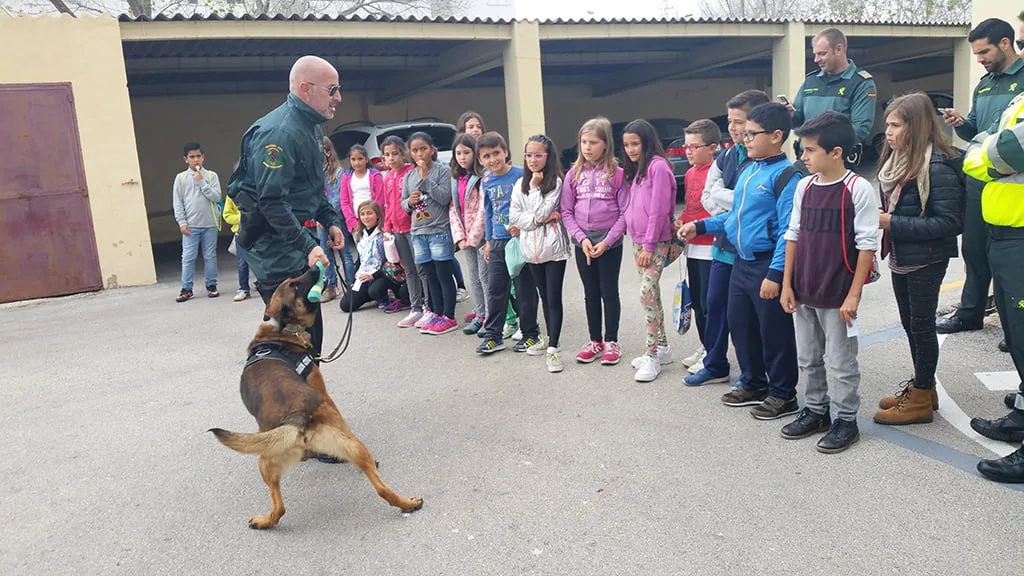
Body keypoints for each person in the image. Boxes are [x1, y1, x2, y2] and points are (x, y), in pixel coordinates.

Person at [679, 103, 803, 420]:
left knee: (774, 332)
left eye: (751, 133)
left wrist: (776, 275)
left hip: (766, 265)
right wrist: (702, 226)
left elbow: (789, 230)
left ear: (776, 136)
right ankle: (753, 382)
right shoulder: (749, 169)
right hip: (741, 263)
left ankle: (783, 393)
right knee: (741, 325)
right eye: (743, 132)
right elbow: (736, 217)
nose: (744, 139)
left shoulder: (786, 175)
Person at [226, 55, 344, 358]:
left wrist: (328, 219)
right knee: (293, 338)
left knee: (309, 331)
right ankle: (294, 401)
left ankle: (306, 392)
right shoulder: (279, 133)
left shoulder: (311, 127)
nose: (339, 98)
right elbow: (271, 201)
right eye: (332, 90)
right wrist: (308, 245)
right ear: (306, 88)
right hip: (272, 248)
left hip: (291, 244)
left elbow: (309, 188)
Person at [779, 111, 879, 453]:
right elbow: (792, 235)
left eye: (808, 150)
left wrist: (854, 295)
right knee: (808, 356)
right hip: (804, 288)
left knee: (841, 362)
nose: (803, 157)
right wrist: (787, 283)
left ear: (835, 152)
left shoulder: (857, 189)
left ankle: (846, 420)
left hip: (838, 293)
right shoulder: (804, 187)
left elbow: (867, 244)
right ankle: (816, 410)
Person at [872, 93, 964, 427]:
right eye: (887, 125)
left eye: (896, 125)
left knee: (922, 326)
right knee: (911, 324)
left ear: (917, 125)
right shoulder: (898, 160)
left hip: (926, 257)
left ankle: (921, 397)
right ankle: (924, 387)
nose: (889, 132)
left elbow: (949, 222)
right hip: (901, 253)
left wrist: (890, 222)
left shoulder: (936, 164)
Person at [936, 18, 1024, 339]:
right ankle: (969, 314)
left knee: (1011, 259)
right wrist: (960, 122)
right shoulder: (985, 83)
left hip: (1012, 184)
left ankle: (1014, 327)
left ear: (1004, 43)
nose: (980, 59)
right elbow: (974, 127)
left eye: (983, 51)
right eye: (975, 54)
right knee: (974, 251)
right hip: (979, 182)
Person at [963, 67, 1024, 482]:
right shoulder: (1017, 101)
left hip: (1019, 236)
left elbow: (996, 154)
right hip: (1006, 237)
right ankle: (1021, 416)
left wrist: (983, 152)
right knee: (1017, 337)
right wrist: (986, 151)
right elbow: (988, 153)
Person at [696, 90, 771, 387]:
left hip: (749, 253)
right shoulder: (727, 155)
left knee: (747, 318)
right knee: (714, 305)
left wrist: (731, 202)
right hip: (723, 248)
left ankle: (756, 373)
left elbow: (750, 208)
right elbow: (708, 196)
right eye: (730, 121)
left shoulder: (761, 161)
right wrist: (734, 204)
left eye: (739, 122)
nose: (733, 128)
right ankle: (714, 364)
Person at [562, 118, 628, 366]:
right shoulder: (573, 174)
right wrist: (581, 238)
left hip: (609, 242)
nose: (587, 147)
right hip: (584, 243)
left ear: (605, 144)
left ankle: (612, 341)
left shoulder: (618, 174)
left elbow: (625, 213)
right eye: (583, 142)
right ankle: (595, 341)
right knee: (591, 293)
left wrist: (608, 241)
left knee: (609, 292)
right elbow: (567, 211)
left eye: (593, 142)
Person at [622, 119, 678, 383]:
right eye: (626, 145)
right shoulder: (639, 171)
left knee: (646, 293)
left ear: (647, 142)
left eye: (635, 143)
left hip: (653, 243)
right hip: (638, 240)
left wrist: (649, 245)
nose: (631, 149)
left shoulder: (658, 168)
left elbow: (658, 210)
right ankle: (663, 346)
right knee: (652, 294)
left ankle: (651, 354)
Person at [510, 134, 570, 372]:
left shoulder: (554, 181)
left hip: (553, 248)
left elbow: (541, 212)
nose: (532, 160)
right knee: (543, 296)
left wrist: (535, 190)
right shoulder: (519, 184)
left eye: (538, 155)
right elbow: (515, 216)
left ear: (548, 156)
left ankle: (553, 348)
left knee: (553, 298)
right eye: (528, 155)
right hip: (530, 250)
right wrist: (534, 219)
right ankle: (548, 338)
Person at [672, 119, 722, 385]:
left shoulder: (716, 171)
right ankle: (706, 348)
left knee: (710, 305)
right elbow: (691, 207)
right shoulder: (691, 173)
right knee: (699, 305)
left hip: (710, 247)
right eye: (685, 146)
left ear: (712, 147)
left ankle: (714, 353)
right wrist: (681, 220)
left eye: (694, 146)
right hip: (692, 247)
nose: (688, 151)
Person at [784, 28, 877, 167]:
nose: (816, 60)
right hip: (806, 162)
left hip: (837, 165)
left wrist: (822, 148)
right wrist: (788, 115)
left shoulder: (861, 83)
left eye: (822, 54)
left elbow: (860, 128)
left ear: (838, 49)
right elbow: (798, 121)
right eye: (815, 54)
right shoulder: (811, 81)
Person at [403, 131, 459, 335]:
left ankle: (449, 316)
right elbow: (403, 203)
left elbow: (445, 198)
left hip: (439, 230)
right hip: (418, 231)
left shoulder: (442, 171)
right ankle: (436, 312)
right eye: (415, 150)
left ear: (432, 150)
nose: (419, 153)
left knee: (443, 273)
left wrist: (427, 178)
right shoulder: (408, 175)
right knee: (429, 275)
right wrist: (409, 202)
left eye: (423, 149)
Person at [475, 132, 525, 355]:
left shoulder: (520, 175)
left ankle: (528, 328)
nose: (493, 159)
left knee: (523, 289)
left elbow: (530, 206)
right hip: (496, 241)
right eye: (487, 156)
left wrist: (522, 228)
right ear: (481, 160)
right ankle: (493, 336)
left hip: (519, 240)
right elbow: (488, 211)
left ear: (505, 152)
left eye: (496, 153)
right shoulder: (486, 181)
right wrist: (487, 241)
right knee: (496, 289)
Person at [381, 136, 429, 329]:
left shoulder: (411, 173)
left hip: (413, 227)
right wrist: (387, 227)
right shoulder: (387, 178)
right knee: (408, 270)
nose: (391, 158)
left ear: (403, 153)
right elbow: (386, 204)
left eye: (394, 153)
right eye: (386, 155)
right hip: (397, 230)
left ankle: (428, 306)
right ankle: (415, 307)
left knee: (421, 269)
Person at [449, 132, 490, 335]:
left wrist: (472, 238)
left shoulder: (481, 177)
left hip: (481, 237)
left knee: (485, 277)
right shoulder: (456, 178)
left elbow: (483, 209)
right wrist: (460, 238)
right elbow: (453, 209)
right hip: (465, 238)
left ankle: (491, 317)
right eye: (458, 153)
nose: (462, 157)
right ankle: (480, 315)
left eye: (466, 152)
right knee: (473, 277)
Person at [173, 142, 222, 302]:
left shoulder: (211, 176)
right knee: (188, 257)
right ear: (186, 159)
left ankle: (211, 285)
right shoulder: (180, 178)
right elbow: (178, 202)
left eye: (198, 156)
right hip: (190, 225)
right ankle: (186, 288)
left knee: (210, 256)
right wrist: (182, 222)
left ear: (203, 157)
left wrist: (201, 182)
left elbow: (216, 197)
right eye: (192, 157)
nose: (196, 160)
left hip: (210, 224)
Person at [339, 201, 408, 312]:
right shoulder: (361, 235)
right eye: (363, 214)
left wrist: (374, 276)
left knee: (375, 290)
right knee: (346, 305)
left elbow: (391, 261)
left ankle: (385, 295)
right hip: (365, 273)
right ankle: (369, 295)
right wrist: (354, 279)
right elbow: (361, 259)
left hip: (383, 273)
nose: (366, 217)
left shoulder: (383, 234)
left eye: (369, 213)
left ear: (377, 215)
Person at [319, 136, 343, 302]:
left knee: (344, 253)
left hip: (335, 217)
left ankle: (350, 283)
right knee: (324, 252)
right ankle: (331, 286)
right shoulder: (316, 171)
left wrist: (328, 216)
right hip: (319, 220)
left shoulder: (337, 171)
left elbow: (338, 196)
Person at [221, 192, 252, 302]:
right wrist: (243, 218)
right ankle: (244, 288)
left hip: (257, 231)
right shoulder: (231, 195)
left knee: (262, 261)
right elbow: (227, 215)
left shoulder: (254, 190)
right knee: (242, 262)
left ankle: (263, 283)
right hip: (240, 232)